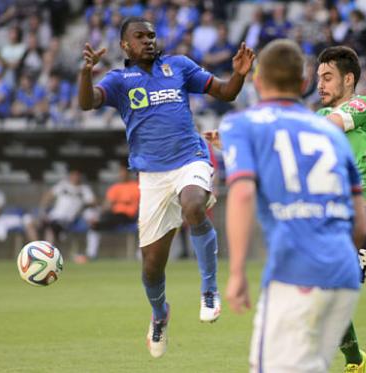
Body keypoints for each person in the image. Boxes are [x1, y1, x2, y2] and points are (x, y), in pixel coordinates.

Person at [78, 16, 254, 358]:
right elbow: (87, 103)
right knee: (151, 267)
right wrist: (86, 72)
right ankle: (160, 313)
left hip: (191, 158)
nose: (148, 41)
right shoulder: (119, 80)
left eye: (152, 35)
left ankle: (209, 289)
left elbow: (226, 92)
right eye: (139, 36)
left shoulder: (179, 66)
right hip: (153, 177)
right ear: (125, 45)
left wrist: (240, 74)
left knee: (193, 205)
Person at [221, 39, 366, 373]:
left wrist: (236, 273)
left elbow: (242, 194)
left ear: (257, 82)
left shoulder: (241, 124)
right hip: (343, 275)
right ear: (303, 85)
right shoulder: (329, 131)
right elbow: (359, 224)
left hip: (295, 273)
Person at [316, 45, 366, 372]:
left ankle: (351, 361)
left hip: (361, 220)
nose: (319, 84)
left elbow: (330, 125)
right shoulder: (320, 118)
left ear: (348, 79)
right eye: (318, 77)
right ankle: (355, 360)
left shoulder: (363, 106)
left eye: (327, 77)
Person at [38, 170, 99, 259]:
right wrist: (42, 210)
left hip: (67, 220)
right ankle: (38, 252)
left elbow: (94, 202)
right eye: (73, 175)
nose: (75, 177)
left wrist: (83, 205)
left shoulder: (84, 189)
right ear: (70, 176)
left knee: (51, 228)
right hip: (53, 216)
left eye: (77, 175)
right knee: (31, 223)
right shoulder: (63, 185)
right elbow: (48, 196)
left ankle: (48, 255)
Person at [90, 163, 139, 231]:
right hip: (115, 214)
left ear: (128, 174)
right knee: (105, 216)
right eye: (121, 174)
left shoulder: (135, 186)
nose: (122, 176)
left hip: (129, 215)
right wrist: (100, 214)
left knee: (115, 218)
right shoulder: (115, 187)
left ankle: (99, 225)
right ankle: (98, 224)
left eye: (124, 174)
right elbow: (107, 204)